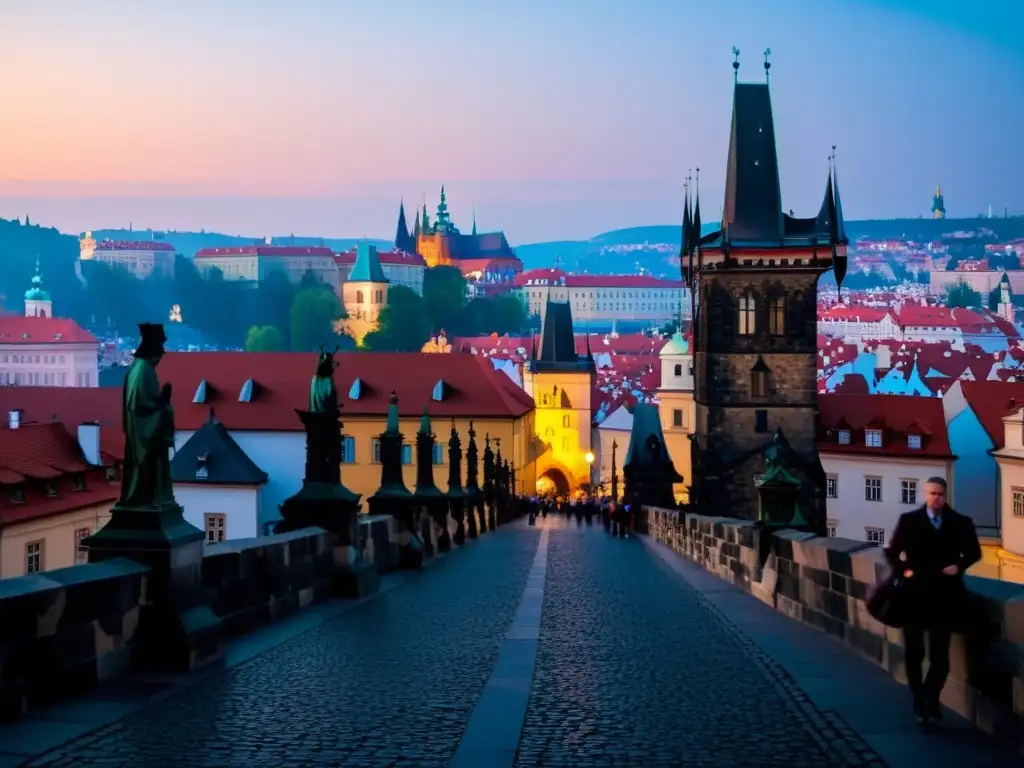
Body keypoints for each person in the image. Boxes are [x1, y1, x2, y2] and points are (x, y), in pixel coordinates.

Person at [885, 477, 981, 725]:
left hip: (945, 595)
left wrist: (958, 566)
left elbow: (974, 553)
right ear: (925, 494)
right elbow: (892, 552)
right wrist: (904, 570)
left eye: (939, 494)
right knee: (914, 652)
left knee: (940, 658)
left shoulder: (960, 523)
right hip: (914, 593)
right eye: (931, 493)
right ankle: (919, 699)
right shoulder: (910, 521)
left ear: (945, 495)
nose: (936, 498)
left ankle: (930, 697)